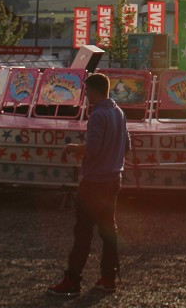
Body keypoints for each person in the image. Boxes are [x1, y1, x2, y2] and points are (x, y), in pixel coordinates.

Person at [48, 73, 130, 296]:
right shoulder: (119, 113)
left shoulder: (98, 115)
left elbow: (92, 148)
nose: (85, 96)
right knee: (108, 231)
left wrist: (72, 148)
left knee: (83, 232)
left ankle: (72, 280)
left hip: (94, 182)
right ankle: (108, 277)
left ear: (94, 91)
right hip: (114, 179)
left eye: (87, 92)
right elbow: (127, 145)